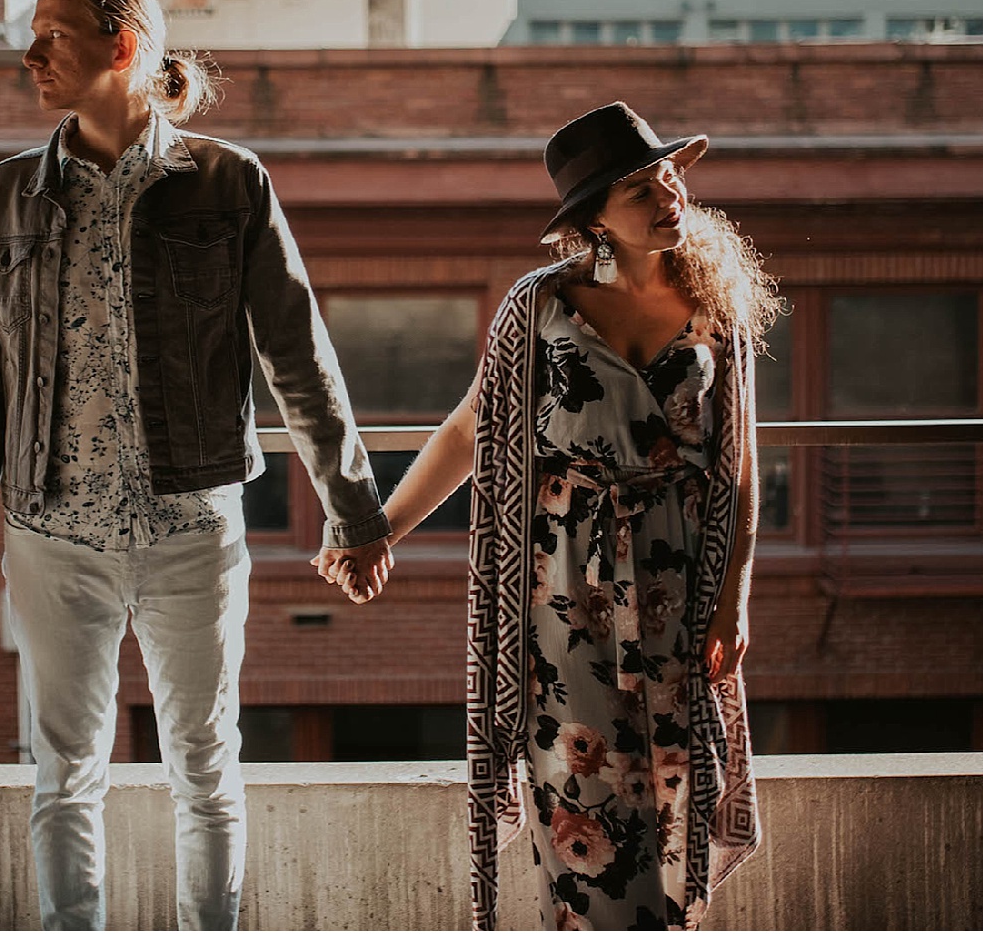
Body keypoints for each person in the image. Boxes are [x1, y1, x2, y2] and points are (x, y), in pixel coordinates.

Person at [0, 0, 393, 931]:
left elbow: (297, 355)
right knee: (64, 772)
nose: (31, 55)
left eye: (54, 33)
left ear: (123, 45)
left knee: (205, 766)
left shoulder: (227, 183)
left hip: (192, 531)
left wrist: (354, 513)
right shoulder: (2, 198)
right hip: (50, 535)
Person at [322, 102, 778, 931]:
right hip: (563, 590)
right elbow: (472, 431)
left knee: (674, 792)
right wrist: (378, 529)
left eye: (669, 176)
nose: (669, 194)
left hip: (679, 582)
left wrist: (735, 599)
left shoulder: (717, 303)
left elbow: (738, 467)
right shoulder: (536, 309)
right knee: (582, 798)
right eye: (641, 189)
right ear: (594, 218)